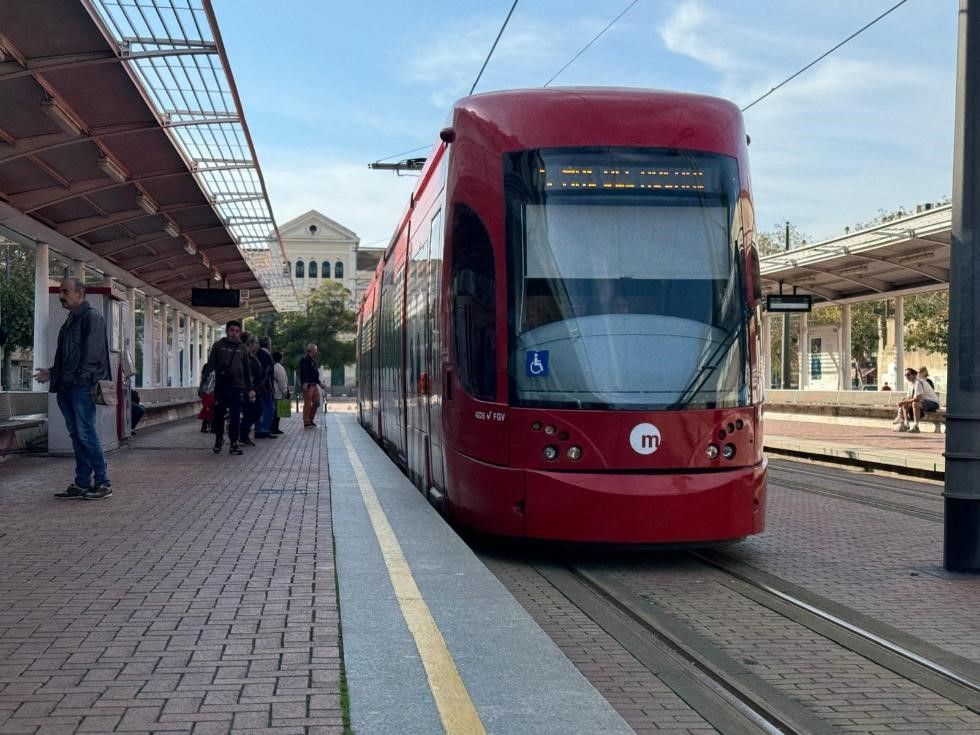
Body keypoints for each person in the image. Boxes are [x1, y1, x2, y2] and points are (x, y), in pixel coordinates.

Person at [33, 278, 113, 500]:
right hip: (67, 386)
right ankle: (82, 482)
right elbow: (67, 357)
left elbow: (92, 356)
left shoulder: (91, 317)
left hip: (81, 387)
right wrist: (53, 372)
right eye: (60, 291)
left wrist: (79, 380)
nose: (61, 295)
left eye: (65, 291)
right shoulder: (70, 321)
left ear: (80, 293)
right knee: (77, 435)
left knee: (86, 434)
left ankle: (104, 482)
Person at [204, 320, 253, 455]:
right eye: (232, 330)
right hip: (221, 387)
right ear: (226, 331)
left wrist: (250, 388)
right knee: (218, 415)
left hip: (237, 387)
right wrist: (204, 385)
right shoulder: (218, 346)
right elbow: (210, 366)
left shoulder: (242, 348)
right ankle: (219, 439)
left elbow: (247, 370)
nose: (234, 334)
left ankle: (234, 443)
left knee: (235, 416)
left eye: (237, 331)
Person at [894, 367, 941, 433]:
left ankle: (916, 426)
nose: (906, 376)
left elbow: (917, 398)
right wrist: (903, 402)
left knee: (915, 403)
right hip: (923, 402)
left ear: (914, 375)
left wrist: (904, 402)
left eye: (908, 374)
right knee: (905, 402)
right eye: (905, 375)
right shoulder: (910, 383)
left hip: (933, 403)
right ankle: (906, 424)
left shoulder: (918, 382)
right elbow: (909, 397)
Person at [238, 332, 263, 446]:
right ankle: (242, 435)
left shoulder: (253, 356)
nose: (258, 345)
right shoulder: (244, 356)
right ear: (250, 344)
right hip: (248, 390)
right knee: (251, 412)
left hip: (255, 389)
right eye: (256, 342)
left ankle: (243, 434)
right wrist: (249, 389)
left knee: (256, 411)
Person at [254, 336, 276, 439]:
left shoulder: (258, 353)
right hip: (265, 387)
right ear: (268, 344)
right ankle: (264, 430)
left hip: (260, 386)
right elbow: (266, 373)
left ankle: (260, 429)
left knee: (261, 408)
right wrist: (270, 387)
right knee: (269, 409)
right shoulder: (266, 354)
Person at [299, 343, 321, 428]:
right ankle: (307, 421)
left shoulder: (313, 360)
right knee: (307, 404)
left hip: (314, 385)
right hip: (308, 386)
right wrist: (305, 383)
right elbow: (304, 372)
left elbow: (314, 374)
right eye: (316, 350)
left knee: (317, 402)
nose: (317, 351)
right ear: (311, 350)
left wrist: (320, 383)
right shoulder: (305, 359)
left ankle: (311, 418)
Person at [271, 350, 289, 435]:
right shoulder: (279, 367)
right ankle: (275, 428)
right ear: (280, 358)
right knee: (277, 413)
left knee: (275, 412)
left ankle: (274, 428)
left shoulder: (272, 366)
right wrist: (286, 392)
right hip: (278, 393)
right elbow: (282, 381)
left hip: (274, 391)